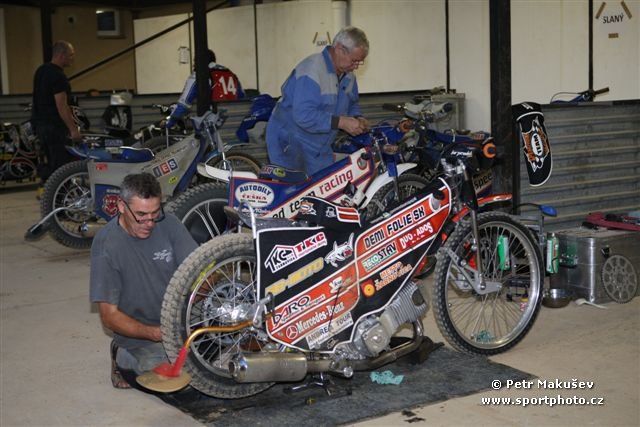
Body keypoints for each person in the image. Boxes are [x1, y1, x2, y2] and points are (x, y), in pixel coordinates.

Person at [90, 173, 198, 389]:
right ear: (121, 206)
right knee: (174, 378)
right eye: (141, 215)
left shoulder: (169, 224)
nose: (149, 223)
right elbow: (109, 317)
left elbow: (200, 268)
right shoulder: (106, 245)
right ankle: (122, 356)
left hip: (181, 324)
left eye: (154, 213)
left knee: (222, 360)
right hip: (142, 335)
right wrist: (153, 333)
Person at [266, 26, 370, 175]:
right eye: (354, 61)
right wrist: (341, 122)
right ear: (339, 49)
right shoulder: (311, 71)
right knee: (294, 188)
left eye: (360, 62)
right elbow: (304, 115)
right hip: (290, 140)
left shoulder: (349, 76)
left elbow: (352, 103)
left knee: (326, 186)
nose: (356, 67)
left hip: (319, 146)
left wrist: (357, 118)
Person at [31, 40, 82, 187]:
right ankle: (60, 199)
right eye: (71, 55)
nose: (72, 59)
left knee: (50, 166)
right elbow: (61, 105)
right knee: (61, 169)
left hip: (41, 127)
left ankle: (48, 193)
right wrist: (73, 129)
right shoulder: (58, 76)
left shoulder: (41, 71)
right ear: (61, 55)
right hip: (55, 128)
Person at [164, 49, 245, 129]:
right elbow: (242, 98)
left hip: (213, 124)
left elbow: (183, 105)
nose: (194, 64)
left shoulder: (199, 75)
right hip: (235, 123)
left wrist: (168, 123)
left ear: (199, 61)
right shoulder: (230, 73)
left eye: (195, 61)